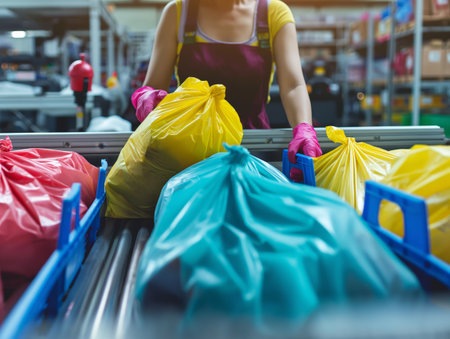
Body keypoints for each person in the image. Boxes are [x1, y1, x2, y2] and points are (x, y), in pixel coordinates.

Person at [131, 0, 322, 177]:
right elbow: (154, 86)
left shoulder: (273, 13)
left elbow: (293, 85)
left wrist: (304, 127)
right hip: (191, 152)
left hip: (253, 150)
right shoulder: (178, 13)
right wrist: (147, 96)